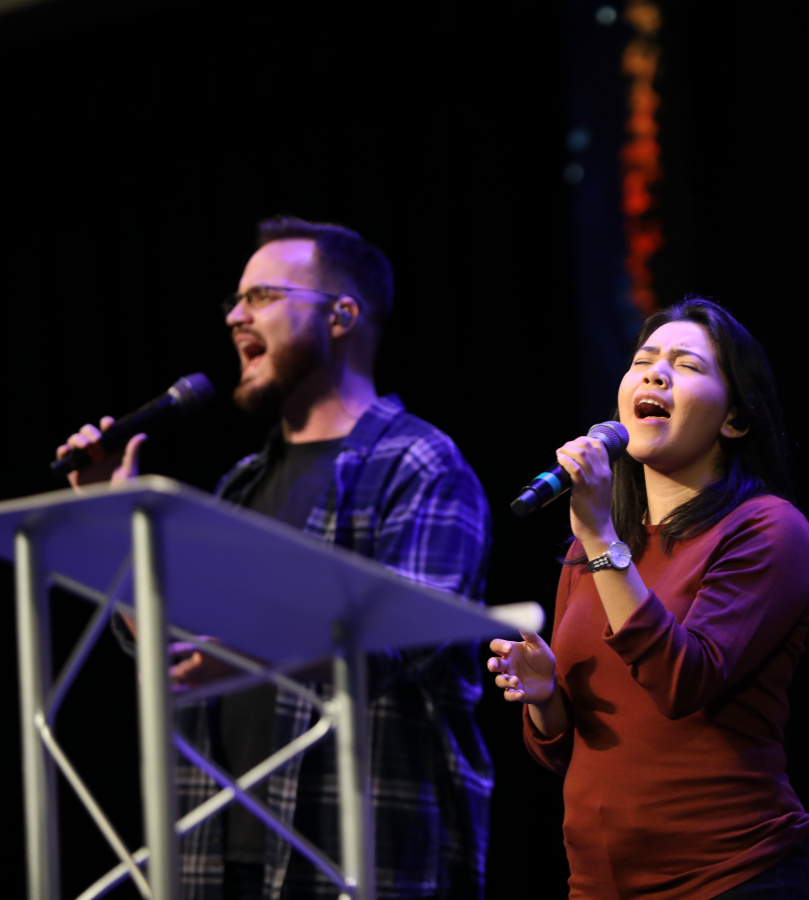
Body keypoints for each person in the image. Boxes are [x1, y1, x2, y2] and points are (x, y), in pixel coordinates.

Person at [57, 217, 493, 900]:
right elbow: (169, 646)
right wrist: (115, 521)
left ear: (341, 315)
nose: (236, 317)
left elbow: (405, 636)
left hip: (357, 851)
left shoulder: (420, 464)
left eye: (261, 297)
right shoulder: (241, 484)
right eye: (234, 300)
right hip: (216, 844)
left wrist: (250, 657)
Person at [487, 297, 809, 899]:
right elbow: (570, 751)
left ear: (734, 419)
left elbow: (681, 683)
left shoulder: (768, 529)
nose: (655, 375)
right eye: (643, 361)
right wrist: (544, 698)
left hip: (734, 877)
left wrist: (600, 538)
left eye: (687, 365)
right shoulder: (592, 548)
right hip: (599, 886)